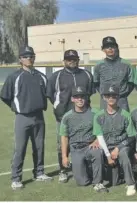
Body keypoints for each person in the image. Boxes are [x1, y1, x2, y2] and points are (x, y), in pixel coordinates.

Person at [1, 46, 53, 190]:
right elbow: (5, 96)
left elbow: (48, 94)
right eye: (25, 56)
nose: (28, 59)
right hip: (22, 117)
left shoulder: (41, 76)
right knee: (20, 148)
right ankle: (16, 178)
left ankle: (39, 172)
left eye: (31, 56)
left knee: (39, 147)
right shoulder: (14, 77)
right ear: (20, 59)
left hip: (39, 117)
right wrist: (16, 107)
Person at [47, 49, 94, 183]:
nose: (72, 61)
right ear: (64, 61)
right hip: (63, 117)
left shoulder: (87, 75)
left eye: (74, 59)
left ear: (78, 60)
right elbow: (51, 95)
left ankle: (86, 167)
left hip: (84, 114)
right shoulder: (56, 76)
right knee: (62, 144)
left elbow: (89, 92)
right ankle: (63, 170)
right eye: (69, 59)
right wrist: (59, 107)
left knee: (87, 140)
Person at [59, 86, 107, 192]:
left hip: (90, 145)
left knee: (97, 152)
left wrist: (97, 141)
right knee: (82, 182)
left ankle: (98, 183)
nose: (80, 99)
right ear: (72, 99)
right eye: (77, 97)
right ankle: (88, 170)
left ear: (86, 98)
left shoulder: (95, 113)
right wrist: (64, 157)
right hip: (76, 149)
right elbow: (64, 137)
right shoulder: (67, 117)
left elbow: (103, 130)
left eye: (82, 97)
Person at [93, 84, 137, 196]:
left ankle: (131, 183)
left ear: (118, 97)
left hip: (122, 146)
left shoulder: (125, 115)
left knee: (123, 154)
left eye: (114, 96)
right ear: (104, 97)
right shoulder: (98, 116)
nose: (111, 98)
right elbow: (100, 137)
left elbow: (131, 136)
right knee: (114, 182)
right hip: (107, 148)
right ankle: (99, 181)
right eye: (108, 96)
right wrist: (108, 155)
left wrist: (118, 148)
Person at [93, 36, 135, 111]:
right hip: (105, 101)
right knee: (104, 121)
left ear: (116, 48)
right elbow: (96, 83)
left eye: (112, 46)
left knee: (124, 120)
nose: (110, 48)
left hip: (121, 100)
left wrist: (123, 94)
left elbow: (131, 83)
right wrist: (105, 94)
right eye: (107, 47)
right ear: (103, 49)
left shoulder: (126, 64)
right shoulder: (98, 65)